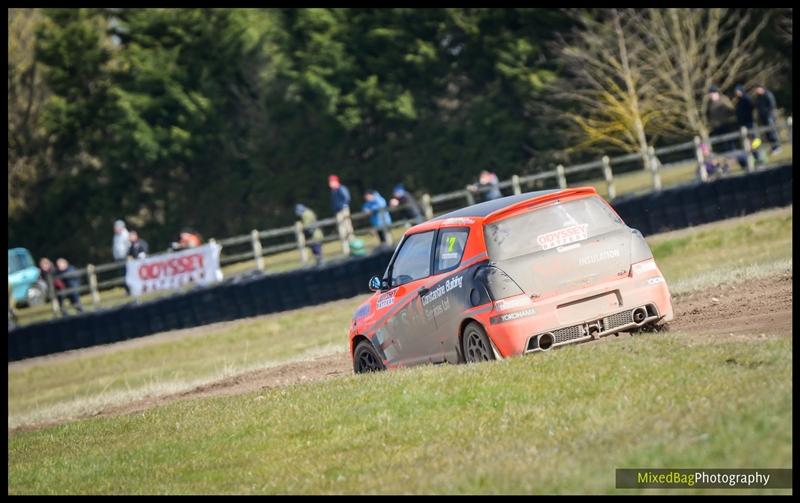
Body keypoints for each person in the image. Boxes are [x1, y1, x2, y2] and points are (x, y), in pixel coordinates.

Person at [707, 85, 737, 152]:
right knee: (723, 145)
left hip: (726, 125)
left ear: (715, 93)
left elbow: (731, 110)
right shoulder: (711, 103)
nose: (709, 96)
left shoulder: (723, 100)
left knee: (730, 143)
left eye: (710, 94)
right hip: (718, 127)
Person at [754, 85, 781, 153]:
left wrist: (768, 114)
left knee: (772, 132)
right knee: (768, 133)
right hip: (763, 118)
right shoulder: (758, 97)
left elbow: (772, 105)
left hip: (769, 117)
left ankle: (777, 147)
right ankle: (773, 147)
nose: (756, 91)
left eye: (757, 89)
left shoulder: (768, 94)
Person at [328, 174, 354, 242]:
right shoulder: (333, 191)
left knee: (347, 227)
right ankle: (346, 246)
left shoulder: (341, 188)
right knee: (341, 229)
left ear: (335, 181)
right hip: (338, 211)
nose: (329, 183)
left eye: (331, 181)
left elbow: (347, 198)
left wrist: (342, 207)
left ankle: (352, 242)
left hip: (343, 210)